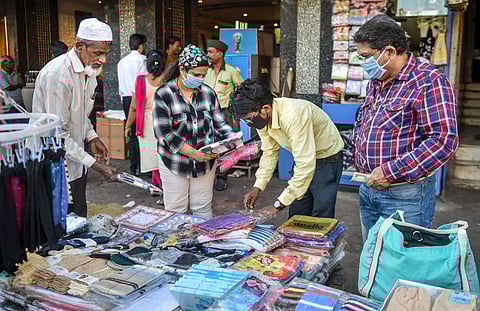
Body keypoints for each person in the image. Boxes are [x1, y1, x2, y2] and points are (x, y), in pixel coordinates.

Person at [352, 15, 459, 242]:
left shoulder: (428, 81)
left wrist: (390, 172)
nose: (363, 63)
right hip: (368, 189)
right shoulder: (378, 80)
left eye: (366, 57)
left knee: (403, 262)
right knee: (373, 257)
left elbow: (443, 140)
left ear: (389, 52)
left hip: (404, 195)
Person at [33, 18, 119, 217]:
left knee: (79, 217)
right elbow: (56, 134)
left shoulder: (88, 72)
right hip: (54, 164)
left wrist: (92, 137)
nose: (103, 60)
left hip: (76, 160)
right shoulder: (58, 75)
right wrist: (95, 164)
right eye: (98, 53)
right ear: (79, 46)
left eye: (106, 54)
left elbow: (80, 114)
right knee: (60, 226)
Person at [235, 79, 345, 218]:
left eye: (249, 118)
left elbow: (305, 164)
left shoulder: (293, 115)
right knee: (297, 214)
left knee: (320, 218)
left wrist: (278, 205)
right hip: (304, 159)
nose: (248, 123)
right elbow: (269, 152)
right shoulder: (262, 118)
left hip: (327, 161)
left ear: (266, 108)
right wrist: (257, 187)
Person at [152, 44, 235, 219]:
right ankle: (174, 245)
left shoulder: (208, 94)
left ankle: (203, 242)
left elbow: (220, 124)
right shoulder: (164, 94)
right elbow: (163, 134)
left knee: (203, 207)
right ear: (182, 69)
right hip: (174, 161)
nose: (201, 78)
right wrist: (191, 152)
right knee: (176, 210)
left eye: (204, 74)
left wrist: (233, 141)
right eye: (197, 74)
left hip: (205, 161)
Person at [204, 39, 243, 191]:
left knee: (224, 147)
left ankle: (222, 177)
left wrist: (236, 115)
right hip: (206, 113)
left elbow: (241, 92)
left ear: (220, 53)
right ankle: (207, 175)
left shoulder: (232, 72)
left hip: (224, 113)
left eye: (210, 52)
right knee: (207, 145)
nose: (208, 55)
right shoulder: (205, 71)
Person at [125, 50, 166, 188]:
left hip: (147, 124)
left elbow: (133, 107)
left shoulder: (140, 81)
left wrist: (128, 126)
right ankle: (164, 185)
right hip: (164, 121)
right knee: (165, 155)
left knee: (153, 156)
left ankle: (158, 185)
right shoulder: (167, 80)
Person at [118, 33, 147, 176]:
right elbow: (144, 82)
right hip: (140, 98)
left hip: (126, 98)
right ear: (141, 45)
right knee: (143, 132)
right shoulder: (143, 60)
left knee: (130, 131)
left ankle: (133, 165)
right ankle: (143, 165)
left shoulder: (121, 62)